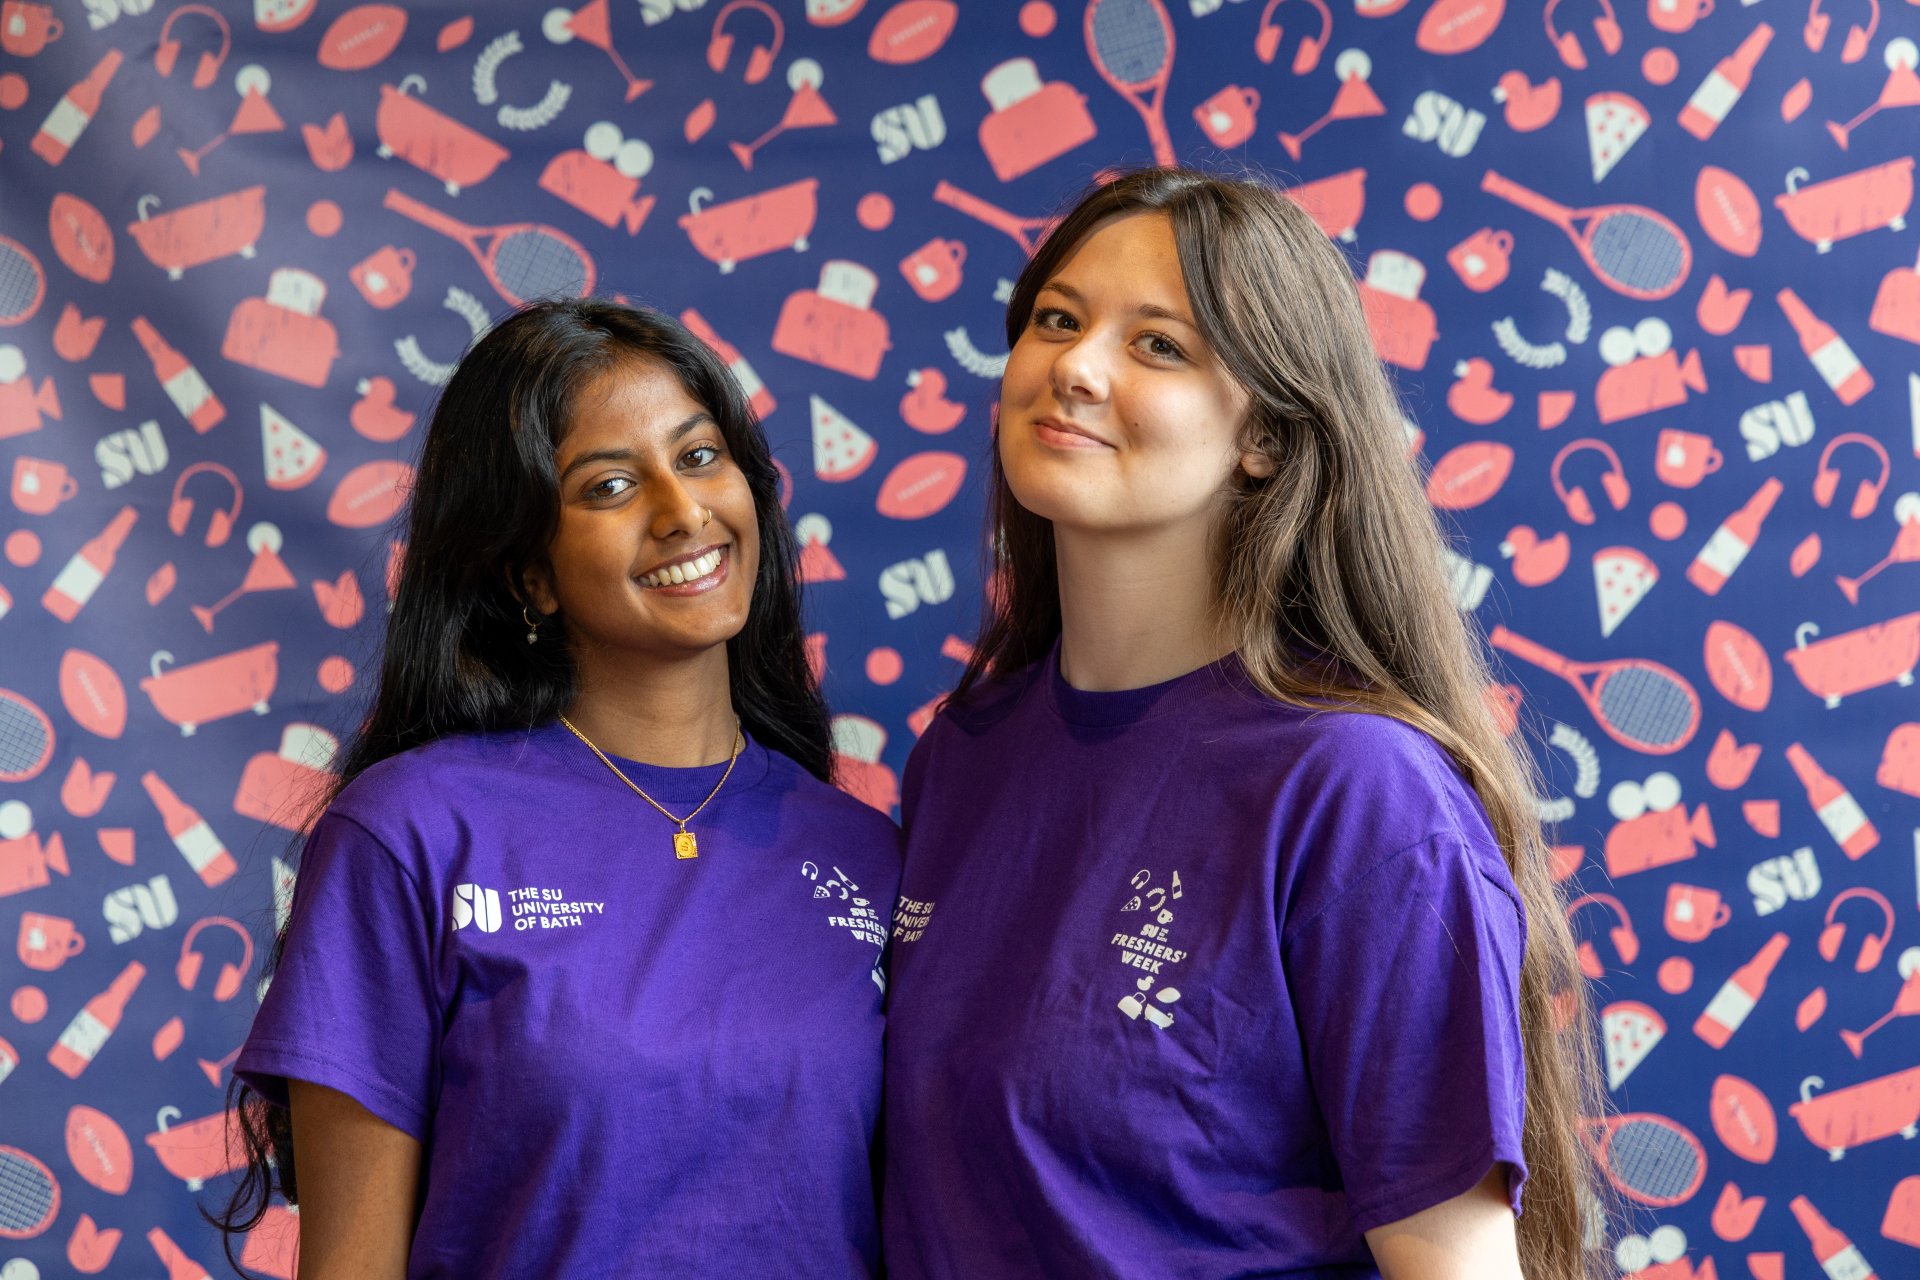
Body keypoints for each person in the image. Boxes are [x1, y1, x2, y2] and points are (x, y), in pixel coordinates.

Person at [882, 168, 1606, 1280]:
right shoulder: (958, 758)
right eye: (1056, 319)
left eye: (1158, 345)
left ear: (1265, 434)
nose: (1073, 366)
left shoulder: (1360, 792)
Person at [223, 299, 899, 1279]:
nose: (682, 510)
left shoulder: (866, 852)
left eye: (702, 456)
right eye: (612, 484)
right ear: (528, 574)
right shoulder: (410, 834)